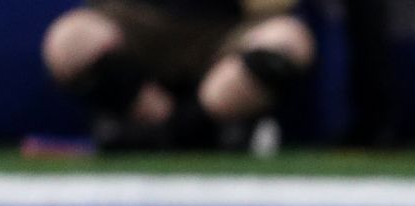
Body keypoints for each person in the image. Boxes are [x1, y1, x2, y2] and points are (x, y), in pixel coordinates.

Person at [40, 0, 314, 151]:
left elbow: (275, 6)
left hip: (226, 28)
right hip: (138, 21)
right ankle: (154, 121)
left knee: (287, 41)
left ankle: (192, 126)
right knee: (69, 41)